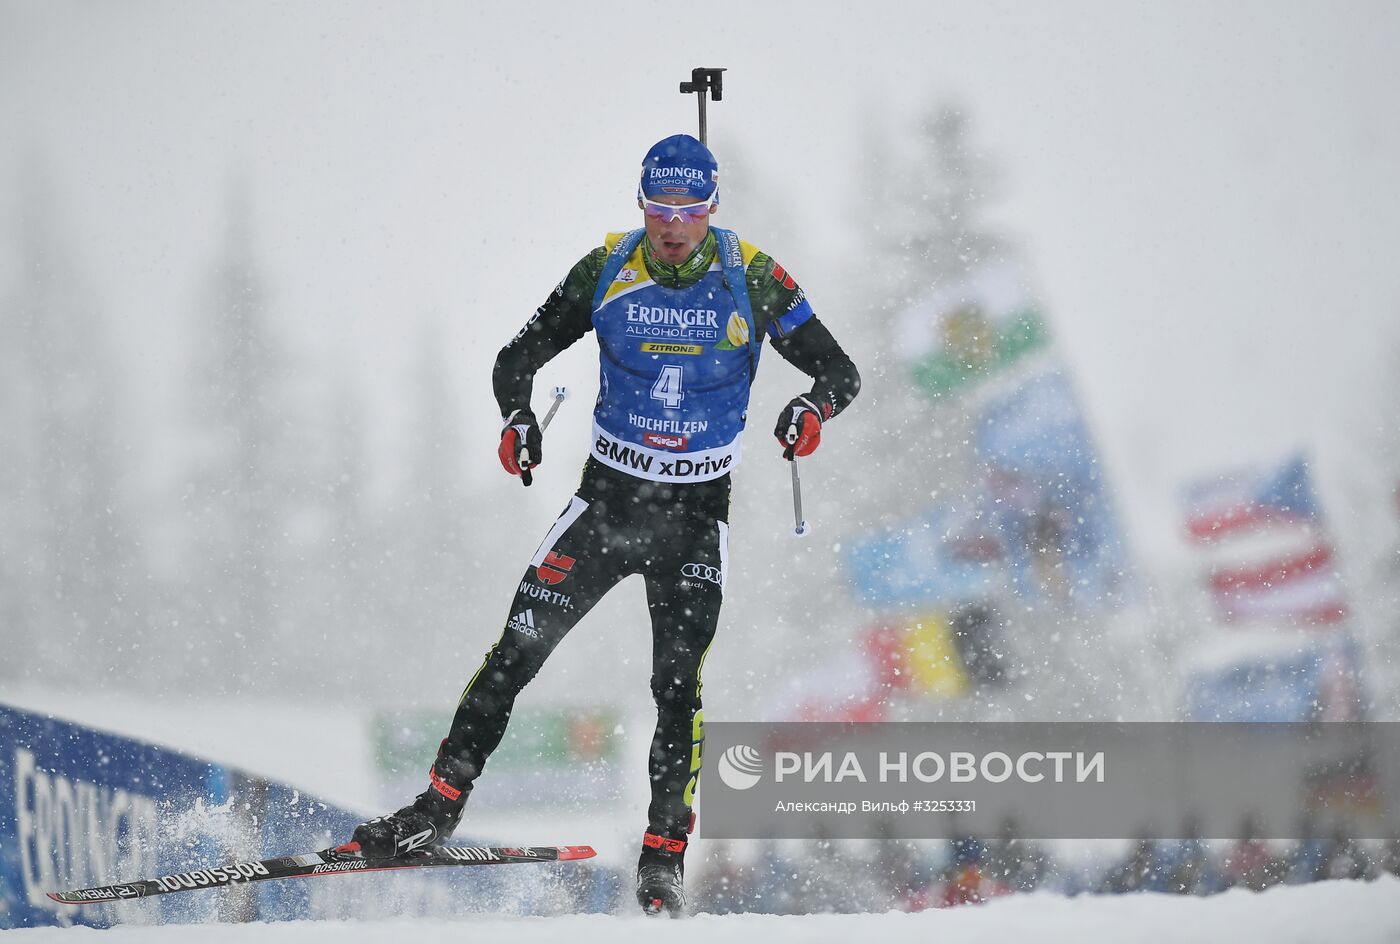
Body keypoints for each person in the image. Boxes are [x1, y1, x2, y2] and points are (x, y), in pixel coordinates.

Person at [345, 133, 860, 917]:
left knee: (677, 686)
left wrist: (809, 407)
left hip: (692, 517)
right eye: (660, 207)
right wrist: (518, 415)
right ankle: (436, 808)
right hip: (607, 505)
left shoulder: (751, 275)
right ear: (641, 203)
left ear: (712, 207)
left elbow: (840, 370)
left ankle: (663, 856)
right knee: (516, 650)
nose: (674, 225)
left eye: (689, 209)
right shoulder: (608, 267)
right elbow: (516, 357)